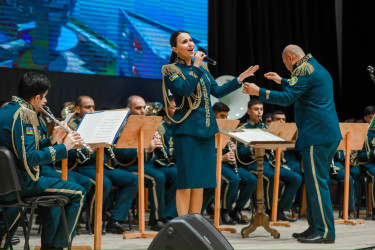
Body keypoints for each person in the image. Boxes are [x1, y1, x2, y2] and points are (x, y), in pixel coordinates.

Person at [243, 44, 342, 243]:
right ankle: (315, 227)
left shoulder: (303, 69)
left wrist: (258, 91)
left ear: (290, 58)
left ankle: (324, 232)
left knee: (317, 184)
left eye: (285, 64)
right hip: (323, 133)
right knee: (314, 184)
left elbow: (289, 98)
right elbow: (302, 87)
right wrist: (282, 80)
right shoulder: (313, 66)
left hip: (317, 135)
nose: (287, 68)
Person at [162, 30, 258, 216]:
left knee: (200, 182)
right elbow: (185, 90)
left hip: (206, 131)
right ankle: (183, 225)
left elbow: (218, 91)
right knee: (187, 181)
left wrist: (240, 79)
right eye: (184, 42)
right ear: (175, 48)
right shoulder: (171, 70)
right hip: (187, 132)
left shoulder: (203, 68)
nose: (190, 44)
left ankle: (195, 222)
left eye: (191, 40)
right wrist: (196, 65)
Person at [0, 72, 86, 249]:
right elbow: (30, 159)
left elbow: (22, 150)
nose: (45, 101)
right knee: (78, 192)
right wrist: (65, 147)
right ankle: (55, 247)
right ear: (37, 97)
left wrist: (51, 141)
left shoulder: (7, 110)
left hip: (6, 182)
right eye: (44, 97)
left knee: (57, 187)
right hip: (21, 183)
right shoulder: (24, 116)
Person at [68, 95, 138, 234]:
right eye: (88, 107)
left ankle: (115, 220)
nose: (92, 110)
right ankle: (94, 221)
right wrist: (88, 148)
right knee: (104, 183)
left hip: (104, 165)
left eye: (93, 107)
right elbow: (69, 151)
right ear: (77, 109)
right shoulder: (72, 125)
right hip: (82, 167)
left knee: (133, 180)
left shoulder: (99, 124)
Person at [114, 95, 177, 231]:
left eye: (144, 107)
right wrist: (145, 149)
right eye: (138, 108)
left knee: (175, 173)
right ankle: (156, 220)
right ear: (128, 109)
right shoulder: (123, 126)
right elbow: (121, 154)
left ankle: (169, 216)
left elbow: (157, 150)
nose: (143, 111)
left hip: (148, 164)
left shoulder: (148, 123)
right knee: (157, 177)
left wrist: (158, 144)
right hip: (130, 165)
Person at [236, 100, 300, 222]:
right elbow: (241, 153)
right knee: (271, 177)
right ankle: (271, 212)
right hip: (252, 164)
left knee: (296, 178)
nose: (259, 112)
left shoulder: (266, 128)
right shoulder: (243, 129)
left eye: (261, 109)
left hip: (269, 163)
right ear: (249, 112)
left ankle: (281, 209)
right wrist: (258, 147)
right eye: (256, 109)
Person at [212, 102, 256, 224]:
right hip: (215, 163)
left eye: (226, 116)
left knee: (251, 179)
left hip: (227, 163)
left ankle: (237, 210)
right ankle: (225, 211)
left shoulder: (226, 129)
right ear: (213, 115)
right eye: (222, 116)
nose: (225, 119)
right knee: (233, 180)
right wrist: (221, 157)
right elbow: (204, 154)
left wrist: (232, 148)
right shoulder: (208, 129)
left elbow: (235, 154)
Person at [358, 105, 375, 219]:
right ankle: (374, 211)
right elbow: (359, 157)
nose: (372, 120)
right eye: (370, 117)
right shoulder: (362, 133)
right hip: (368, 164)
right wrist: (372, 153)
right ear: (365, 118)